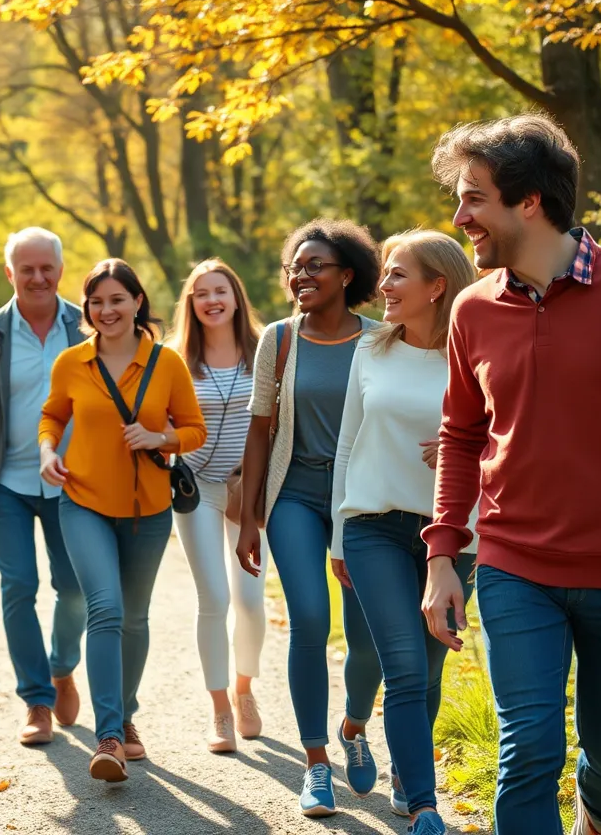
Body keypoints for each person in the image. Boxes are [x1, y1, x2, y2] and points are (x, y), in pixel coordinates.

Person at [421, 114, 601, 835]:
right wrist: (444, 554)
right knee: (529, 749)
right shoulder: (473, 309)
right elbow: (460, 434)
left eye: (473, 198)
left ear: (529, 202)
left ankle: (599, 815)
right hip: (516, 566)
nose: (460, 218)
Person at [330, 230, 477, 834]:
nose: (382, 286)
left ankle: (402, 770)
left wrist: (467, 450)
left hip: (452, 534)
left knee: (429, 668)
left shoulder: (475, 352)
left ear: (436, 286)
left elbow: (513, 439)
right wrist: (339, 532)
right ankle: (424, 804)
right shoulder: (371, 348)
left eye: (396, 275)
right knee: (405, 668)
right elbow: (346, 445)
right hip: (374, 527)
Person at [236, 218, 384, 818]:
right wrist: (249, 516)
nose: (301, 275)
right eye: (295, 266)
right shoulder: (280, 338)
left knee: (369, 630)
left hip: (363, 500)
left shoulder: (382, 339)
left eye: (315, 265)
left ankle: (352, 726)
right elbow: (260, 428)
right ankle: (316, 762)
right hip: (294, 494)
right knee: (310, 619)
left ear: (347, 275)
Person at [40, 258, 206, 781]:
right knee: (106, 610)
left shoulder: (167, 364)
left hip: (148, 511)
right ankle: (108, 735)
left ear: (138, 303)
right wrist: (47, 452)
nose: (105, 310)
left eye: (116, 299)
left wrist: (161, 439)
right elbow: (53, 416)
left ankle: (127, 716)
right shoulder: (71, 362)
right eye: (96, 301)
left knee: (135, 617)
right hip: (83, 501)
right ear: (87, 309)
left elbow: (194, 429)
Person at [0, 227, 86, 746]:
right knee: (19, 588)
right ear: (10, 273)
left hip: (74, 485)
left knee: (74, 589)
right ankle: (36, 700)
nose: (37, 277)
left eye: (45, 267)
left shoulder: (87, 326)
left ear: (59, 269)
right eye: (25, 268)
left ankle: (62, 666)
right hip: (6, 484)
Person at [167, 258, 266, 753]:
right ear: (191, 303)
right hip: (196, 492)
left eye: (220, 290)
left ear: (235, 296)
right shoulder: (175, 358)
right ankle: (220, 709)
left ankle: (245, 690)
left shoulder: (266, 347)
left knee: (249, 601)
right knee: (215, 599)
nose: (211, 300)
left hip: (250, 492)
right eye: (201, 293)